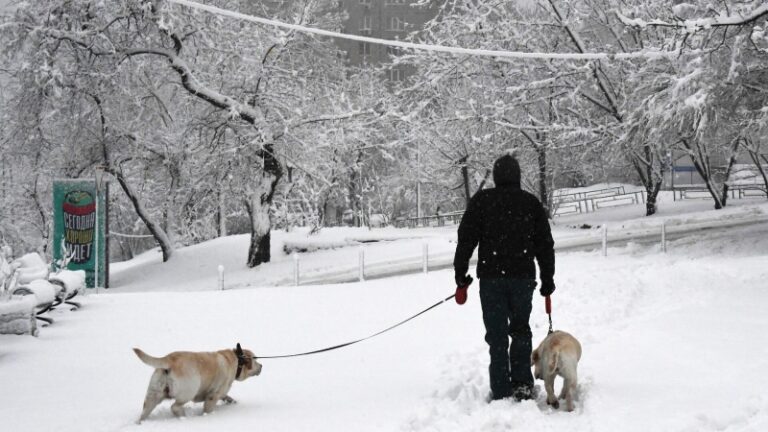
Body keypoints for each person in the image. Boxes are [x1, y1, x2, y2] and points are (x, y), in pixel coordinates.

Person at [453, 154, 555, 402]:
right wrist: (547, 278)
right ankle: (521, 384)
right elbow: (544, 244)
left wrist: (460, 273)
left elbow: (466, 238)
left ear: (496, 177)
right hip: (522, 278)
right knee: (520, 330)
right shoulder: (530, 203)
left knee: (496, 334)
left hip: (491, 279)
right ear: (517, 176)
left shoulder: (482, 202)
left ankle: (500, 387)